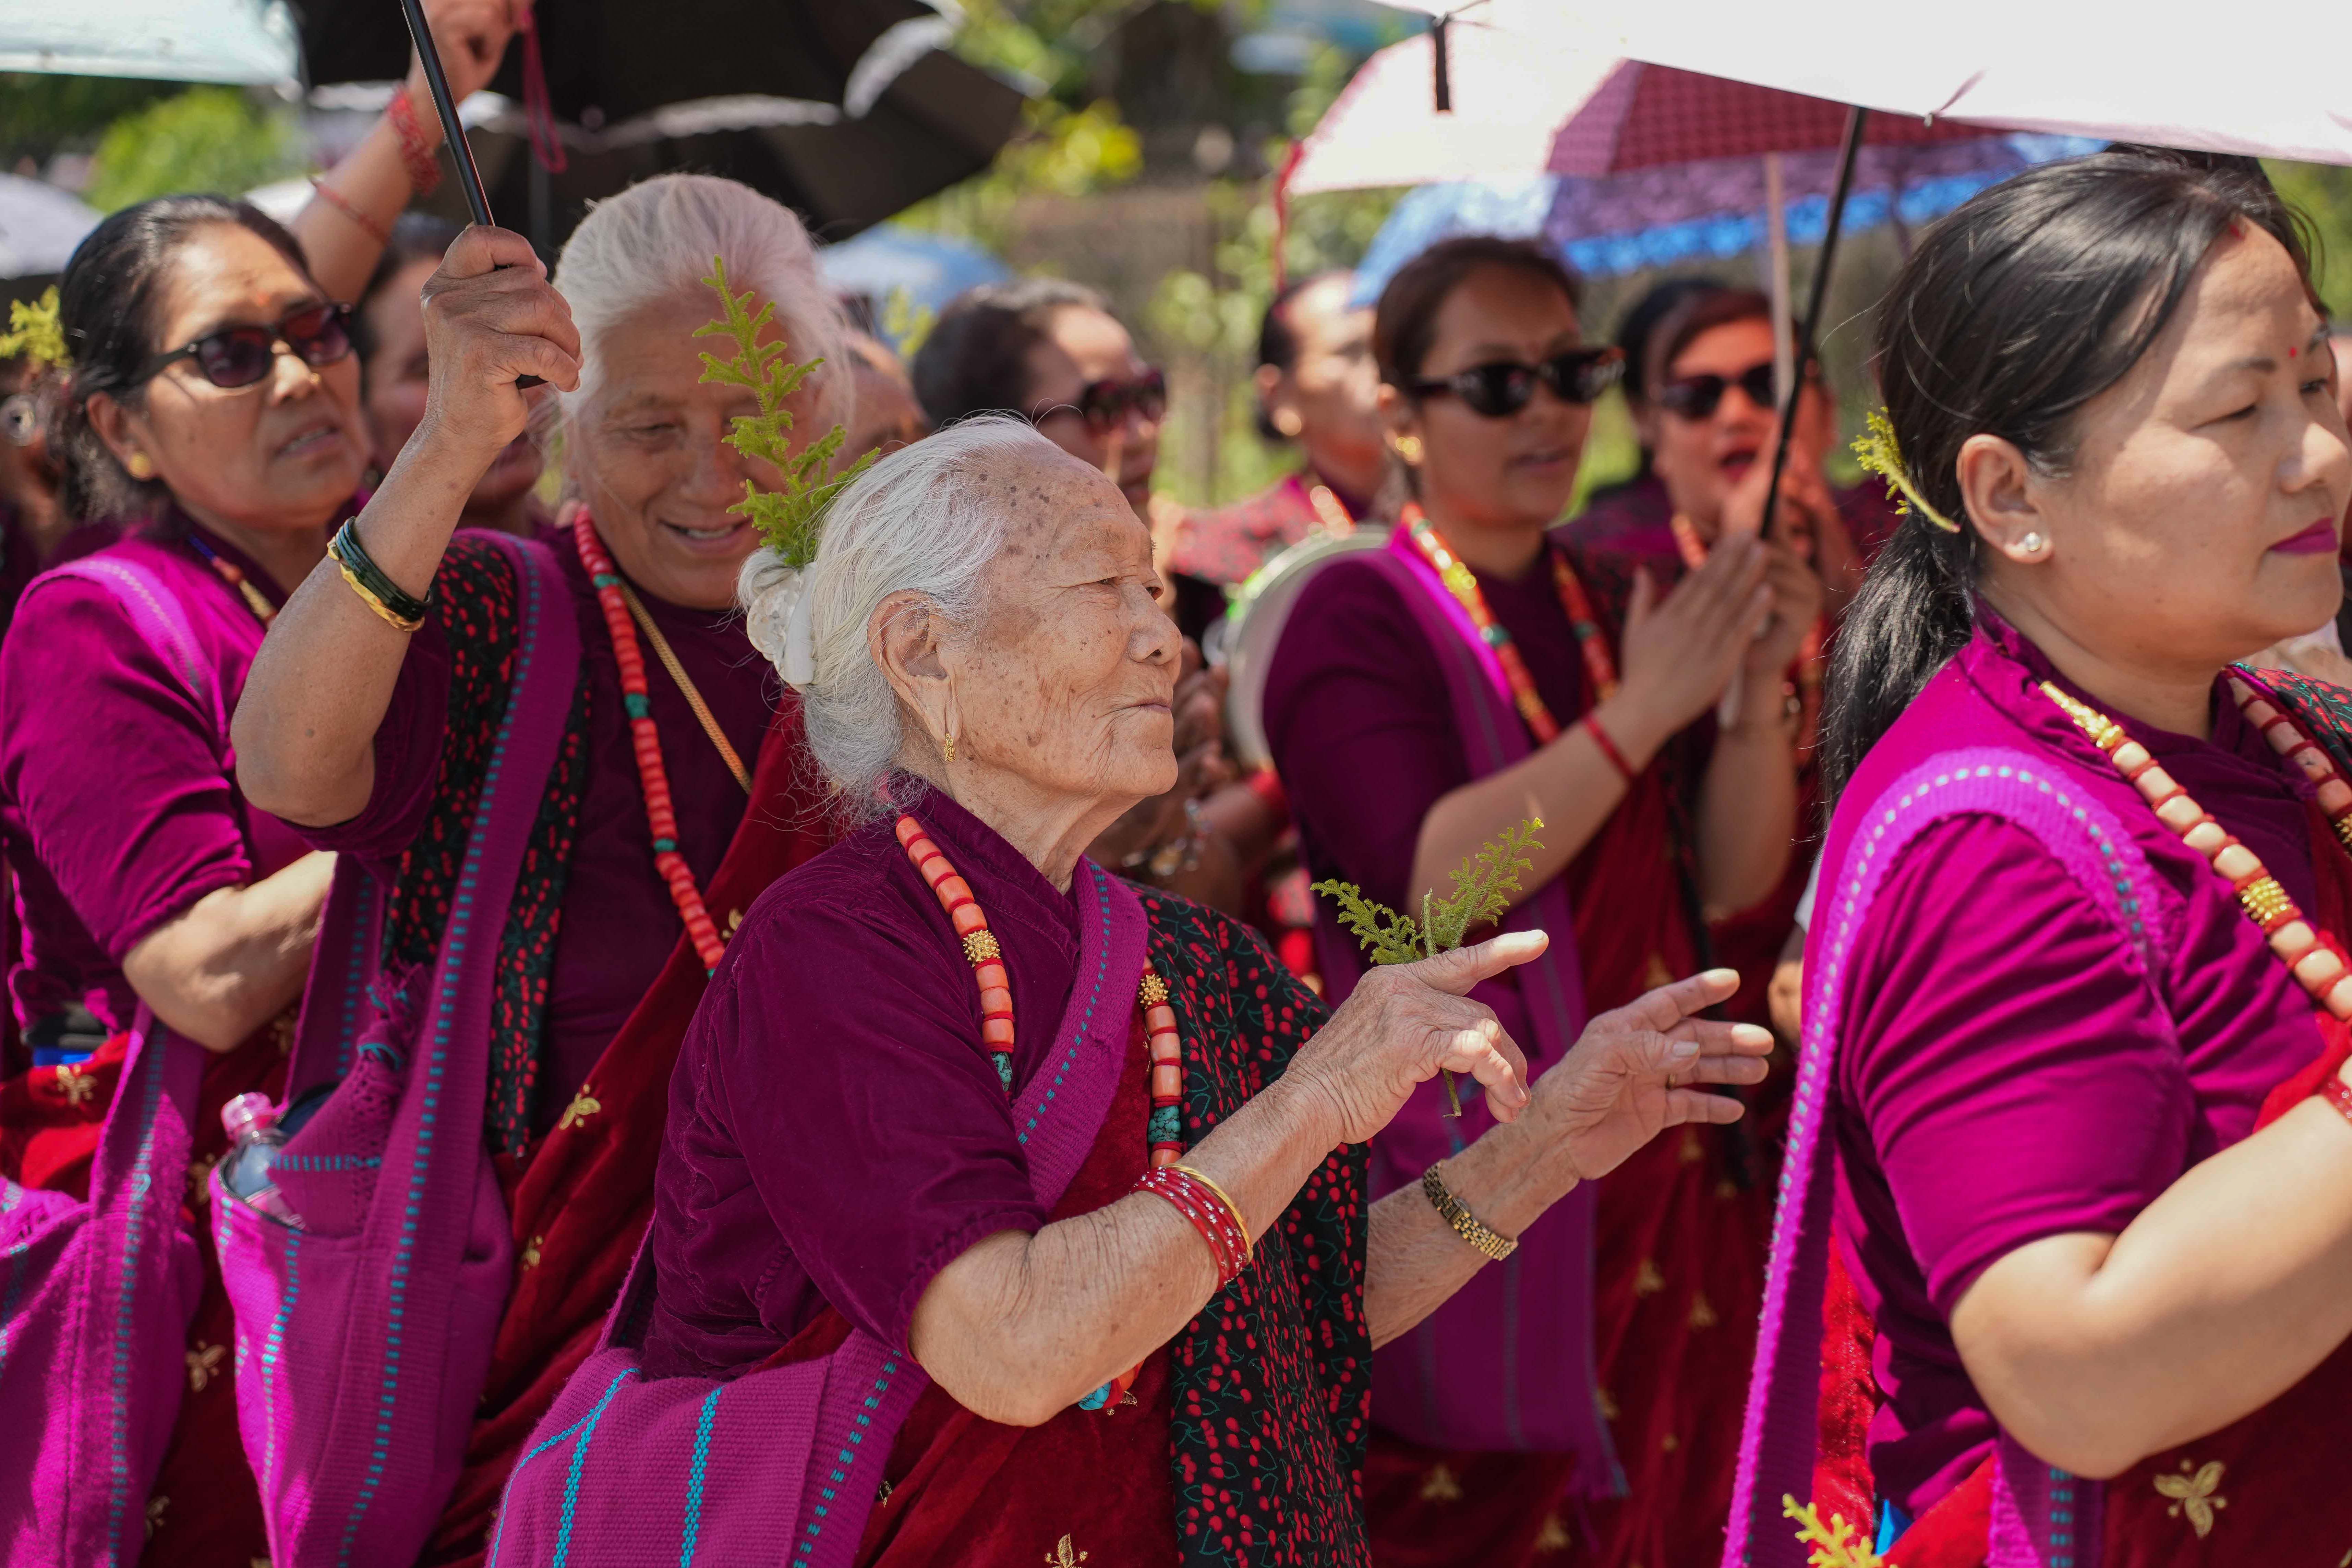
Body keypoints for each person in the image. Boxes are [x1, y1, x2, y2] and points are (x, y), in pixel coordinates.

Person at [506, 413, 1774, 1564]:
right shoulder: (835, 952)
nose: (1161, 635)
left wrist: (1549, 1140)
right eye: (1099, 586)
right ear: (920, 650)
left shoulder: (1186, 958)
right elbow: (1014, 1345)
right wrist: (1316, 1096)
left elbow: (1297, 1304)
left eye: (1154, 589)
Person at [1726, 149, 2352, 1566]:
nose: (2312, 453)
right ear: (2009, 496)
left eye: (2311, 387)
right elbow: (2072, 1373)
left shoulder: (2272, 732)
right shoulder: (1987, 847)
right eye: (2237, 409)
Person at [232, 173, 847, 1562]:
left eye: (757, 414)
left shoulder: (890, 637)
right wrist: (447, 444)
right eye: (647, 425)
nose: (712, 472)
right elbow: (286, 769)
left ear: (829, 413)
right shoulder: (502, 609)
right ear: (563, 419)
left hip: (846, 1358)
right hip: (538, 1380)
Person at [1262, 235, 1819, 1567]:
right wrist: (1639, 714)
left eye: (1572, 371)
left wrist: (1743, 702)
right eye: (1497, 384)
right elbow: (1429, 888)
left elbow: (1725, 891)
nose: (1552, 411)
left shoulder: (1609, 593)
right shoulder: (1352, 611)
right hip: (1487, 1166)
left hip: (1664, 1166)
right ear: (1397, 410)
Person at [914, 278, 1281, 916]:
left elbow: (1209, 918)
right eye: (1107, 405)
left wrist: (1165, 827)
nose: (1140, 433)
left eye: (1150, 395)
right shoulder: (937, 638)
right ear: (994, 438)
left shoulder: (1172, 598)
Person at [1173, 270, 1387, 587]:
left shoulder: (1467, 517)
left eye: (1388, 348)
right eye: (1350, 351)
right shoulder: (1234, 548)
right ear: (1279, 396)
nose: (1382, 371)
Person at [354, 212, 550, 538]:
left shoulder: (616, 551)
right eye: (429, 369)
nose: (493, 382)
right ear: (356, 411)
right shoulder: (341, 589)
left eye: (504, 341)